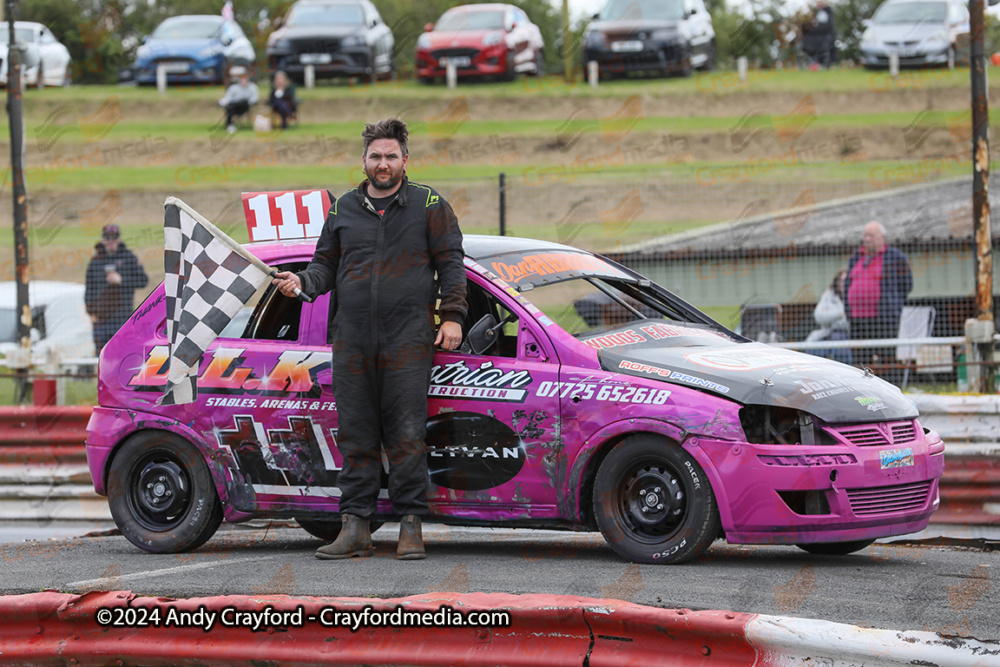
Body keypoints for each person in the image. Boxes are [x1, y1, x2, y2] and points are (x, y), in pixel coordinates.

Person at [273, 118, 467, 561]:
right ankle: (355, 526)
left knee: (406, 434)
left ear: (405, 160)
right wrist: (300, 282)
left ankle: (411, 526)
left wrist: (453, 316)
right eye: (375, 156)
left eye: (391, 156)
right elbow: (324, 266)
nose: (383, 163)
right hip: (353, 340)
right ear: (363, 160)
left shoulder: (430, 204)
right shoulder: (344, 208)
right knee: (357, 435)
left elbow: (452, 264)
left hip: (408, 339)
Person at [844, 221, 913, 377]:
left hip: (884, 318)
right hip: (857, 319)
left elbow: (906, 285)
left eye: (871, 236)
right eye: (865, 236)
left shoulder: (895, 257)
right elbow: (848, 282)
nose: (867, 239)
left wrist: (892, 303)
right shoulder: (856, 257)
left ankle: (889, 389)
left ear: (882, 238)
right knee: (860, 361)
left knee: (886, 357)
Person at [84, 224, 149, 353]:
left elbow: (143, 280)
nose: (110, 241)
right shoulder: (95, 261)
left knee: (123, 354)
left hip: (122, 318)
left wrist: (122, 281)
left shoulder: (129, 258)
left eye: (114, 237)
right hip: (101, 320)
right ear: (103, 239)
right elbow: (89, 290)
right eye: (107, 237)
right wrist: (90, 313)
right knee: (102, 356)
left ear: (119, 239)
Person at [805, 269, 852, 364]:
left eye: (847, 280)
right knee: (813, 349)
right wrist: (841, 314)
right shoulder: (828, 295)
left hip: (848, 336)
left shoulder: (855, 296)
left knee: (839, 343)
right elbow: (819, 316)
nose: (844, 284)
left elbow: (849, 323)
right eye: (842, 281)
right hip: (826, 334)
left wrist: (831, 320)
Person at [218, 66, 259, 134]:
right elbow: (228, 98)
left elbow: (254, 98)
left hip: (245, 106)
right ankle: (230, 125)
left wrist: (250, 102)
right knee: (230, 107)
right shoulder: (233, 88)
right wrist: (221, 102)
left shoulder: (252, 87)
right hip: (234, 107)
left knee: (242, 102)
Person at [800, 1, 837, 68]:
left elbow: (824, 27)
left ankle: (817, 62)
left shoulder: (824, 13)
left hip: (824, 38)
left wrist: (809, 29)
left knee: (809, 38)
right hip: (822, 36)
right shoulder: (821, 12)